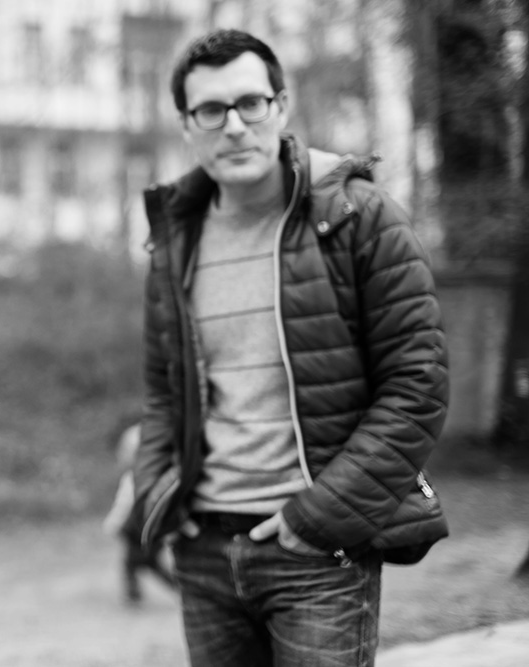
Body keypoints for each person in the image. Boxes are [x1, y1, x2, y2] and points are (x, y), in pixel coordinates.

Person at [132, 29, 449, 667]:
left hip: (320, 553)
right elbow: (164, 393)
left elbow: (417, 386)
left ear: (282, 106)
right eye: (211, 111)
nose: (234, 126)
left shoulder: (359, 217)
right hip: (204, 549)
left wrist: (319, 518)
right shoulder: (176, 240)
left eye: (252, 103)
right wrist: (159, 494)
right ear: (187, 125)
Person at [102, 420, 176, 604]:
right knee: (149, 563)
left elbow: (123, 503)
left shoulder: (132, 479)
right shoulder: (162, 477)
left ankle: (134, 594)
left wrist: (113, 522)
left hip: (136, 532)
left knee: (133, 564)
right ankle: (139, 592)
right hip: (152, 532)